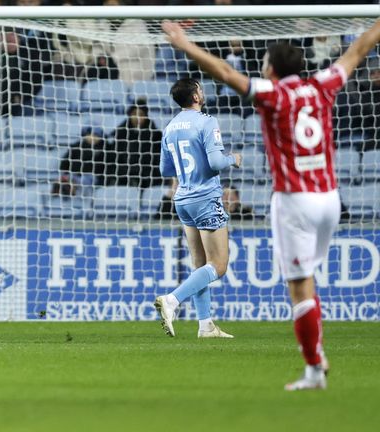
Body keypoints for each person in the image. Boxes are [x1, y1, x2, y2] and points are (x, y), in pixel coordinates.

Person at [162, 18, 380, 391]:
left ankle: (313, 368)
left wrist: (185, 45)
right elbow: (358, 50)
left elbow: (228, 72)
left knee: (298, 287)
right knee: (304, 280)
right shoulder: (323, 86)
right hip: (329, 197)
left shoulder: (271, 95)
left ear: (271, 70)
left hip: (291, 199)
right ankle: (205, 323)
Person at [153, 78, 241, 341]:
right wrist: (232, 159)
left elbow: (165, 170)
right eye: (200, 89)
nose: (203, 93)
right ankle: (172, 299)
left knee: (200, 265)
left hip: (183, 199)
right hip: (205, 196)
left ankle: (205, 325)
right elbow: (215, 162)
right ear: (195, 96)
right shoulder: (206, 121)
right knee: (219, 265)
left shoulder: (170, 128)